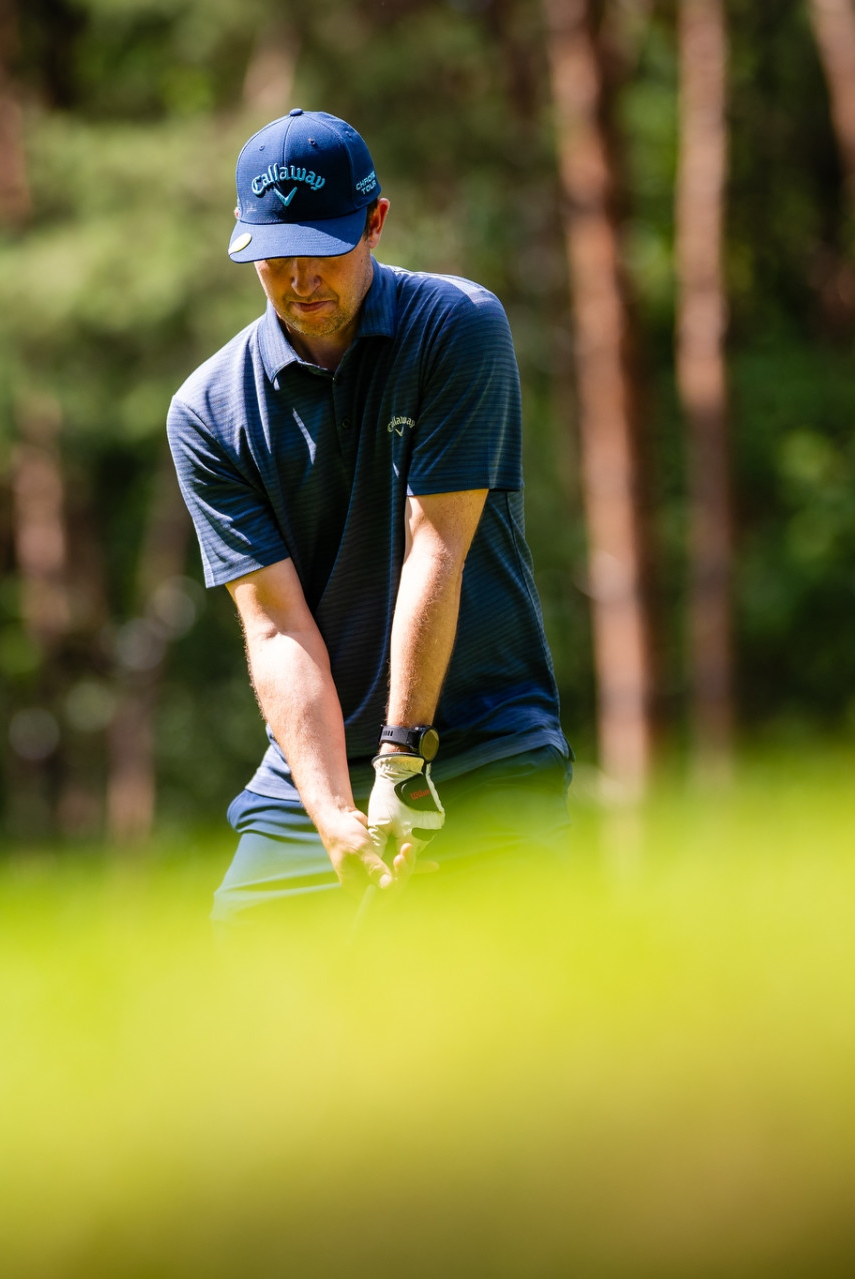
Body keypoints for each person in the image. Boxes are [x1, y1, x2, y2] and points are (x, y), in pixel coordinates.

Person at [167, 110, 571, 928]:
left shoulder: (455, 327)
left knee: (499, 983)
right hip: (314, 767)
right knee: (249, 961)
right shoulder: (208, 412)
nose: (299, 279)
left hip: (482, 742)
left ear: (375, 221)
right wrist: (331, 813)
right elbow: (276, 629)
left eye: (322, 249)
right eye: (275, 256)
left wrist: (402, 764)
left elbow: (436, 548)